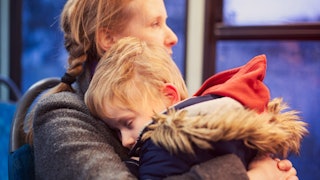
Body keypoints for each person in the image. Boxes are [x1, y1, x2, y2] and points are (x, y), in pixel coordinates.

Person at [28, 0, 299, 179]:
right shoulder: (61, 116)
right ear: (109, 39)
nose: (173, 37)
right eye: (155, 24)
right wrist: (250, 177)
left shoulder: (169, 104)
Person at [84, 37, 307, 179]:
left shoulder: (167, 142)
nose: (125, 141)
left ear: (169, 97)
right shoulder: (215, 121)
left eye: (128, 123)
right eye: (116, 130)